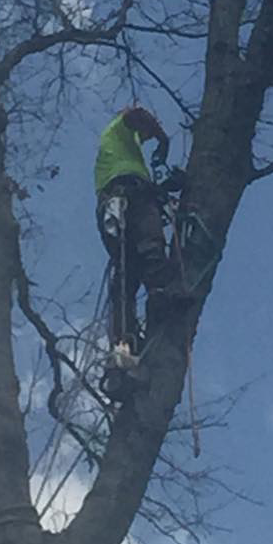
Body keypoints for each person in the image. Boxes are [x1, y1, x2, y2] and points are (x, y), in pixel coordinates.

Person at [94, 106, 183, 400]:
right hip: (127, 195)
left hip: (121, 201)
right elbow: (136, 114)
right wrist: (162, 139)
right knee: (149, 245)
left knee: (126, 276)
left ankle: (125, 347)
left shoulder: (130, 154)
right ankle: (160, 292)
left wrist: (165, 187)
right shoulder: (118, 129)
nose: (144, 138)